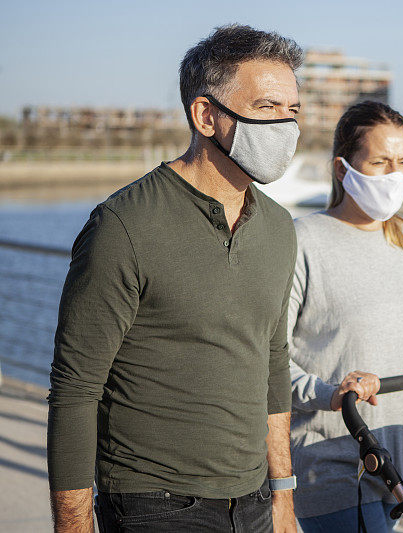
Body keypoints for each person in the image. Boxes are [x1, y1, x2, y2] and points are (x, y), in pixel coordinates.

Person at [47, 25, 302, 532]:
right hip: (154, 507)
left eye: (293, 111)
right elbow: (75, 390)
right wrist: (73, 526)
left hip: (252, 504)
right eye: (267, 108)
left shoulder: (278, 227)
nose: (286, 127)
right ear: (206, 115)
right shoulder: (124, 226)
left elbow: (273, 365)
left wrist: (283, 496)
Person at [287, 101, 403, 532]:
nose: (395, 175)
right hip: (334, 463)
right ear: (342, 169)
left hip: (402, 462)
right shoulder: (302, 241)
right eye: (380, 162)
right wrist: (329, 393)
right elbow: (267, 356)